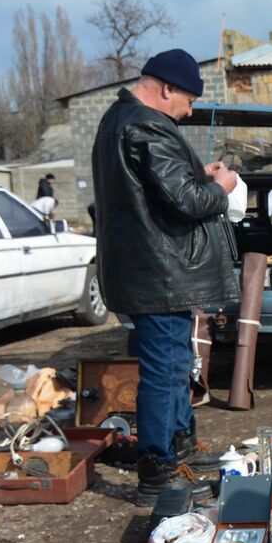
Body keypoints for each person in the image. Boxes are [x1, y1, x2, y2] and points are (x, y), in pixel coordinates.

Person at [91, 48, 240, 506]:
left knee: (175, 367)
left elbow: (161, 189)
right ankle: (157, 470)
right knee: (163, 372)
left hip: (148, 270)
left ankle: (179, 450)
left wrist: (200, 174)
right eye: (188, 99)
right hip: (158, 274)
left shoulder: (117, 122)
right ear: (166, 88)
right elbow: (186, 202)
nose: (190, 111)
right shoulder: (147, 124)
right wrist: (220, 187)